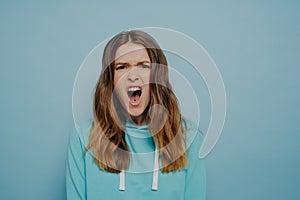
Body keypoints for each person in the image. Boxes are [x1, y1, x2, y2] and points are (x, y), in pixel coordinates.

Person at [66, 30, 206, 200]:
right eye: (122, 67)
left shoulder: (188, 138)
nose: (133, 76)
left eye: (143, 65)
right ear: (111, 80)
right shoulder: (83, 138)